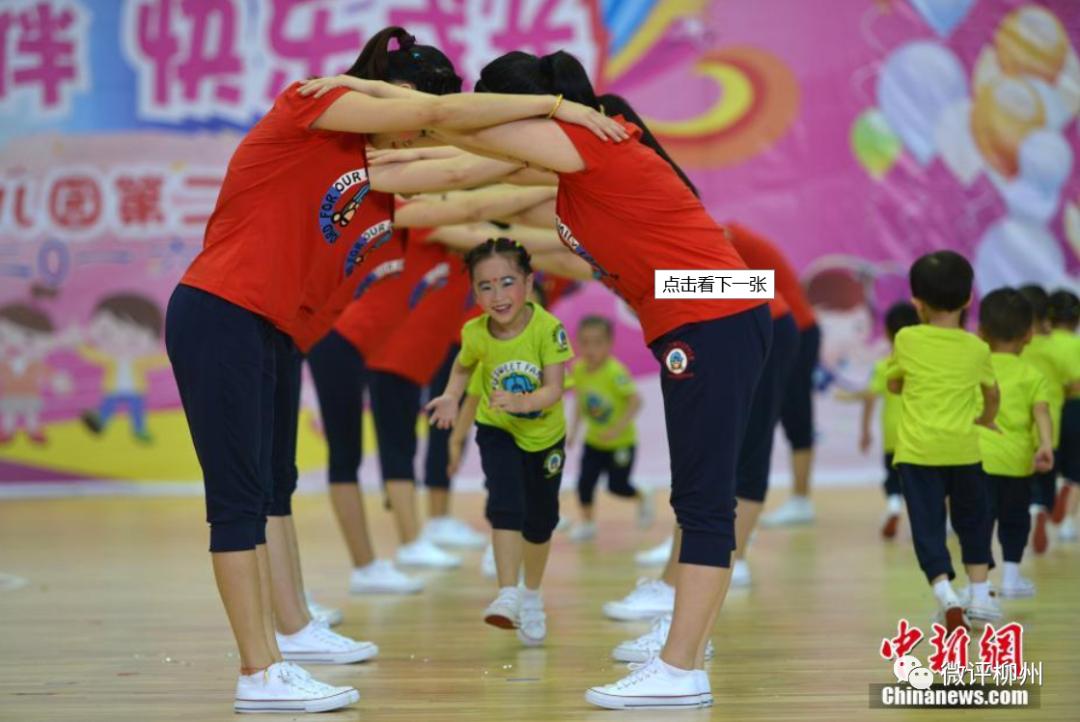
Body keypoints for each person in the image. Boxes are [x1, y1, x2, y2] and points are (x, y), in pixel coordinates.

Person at [166, 25, 624, 713]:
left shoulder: (374, 170)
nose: (412, 140)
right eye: (409, 119)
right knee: (238, 503)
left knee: (269, 489)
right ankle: (259, 673)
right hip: (224, 311)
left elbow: (466, 173)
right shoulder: (309, 105)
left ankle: (289, 634)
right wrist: (557, 109)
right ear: (395, 94)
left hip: (271, 328)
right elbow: (433, 121)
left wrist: (547, 148)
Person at [304, 48, 770, 709]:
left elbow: (459, 139)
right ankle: (685, 643)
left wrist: (360, 93)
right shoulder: (578, 168)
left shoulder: (589, 138)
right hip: (710, 312)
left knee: (703, 498)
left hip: (715, 316)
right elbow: (466, 168)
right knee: (698, 494)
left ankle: (683, 663)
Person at [427, 238, 574, 648]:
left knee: (541, 520)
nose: (497, 295)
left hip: (545, 437)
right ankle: (508, 593)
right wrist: (452, 396)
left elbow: (554, 389)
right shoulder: (475, 332)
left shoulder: (549, 330)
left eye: (507, 282)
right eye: (485, 286)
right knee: (506, 502)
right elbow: (463, 366)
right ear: (474, 293)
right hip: (498, 429)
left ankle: (531, 597)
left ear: (528, 284)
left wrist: (523, 401)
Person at [886, 251, 1000, 633]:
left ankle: (946, 595)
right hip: (964, 450)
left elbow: (895, 382)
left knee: (928, 525)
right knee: (974, 520)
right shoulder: (977, 347)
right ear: (969, 299)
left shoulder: (906, 338)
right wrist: (985, 419)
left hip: (918, 453)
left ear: (917, 301)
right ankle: (981, 595)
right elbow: (992, 394)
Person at [976, 288, 1053, 598]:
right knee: (1015, 520)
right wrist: (1045, 444)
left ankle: (976, 584)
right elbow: (1042, 412)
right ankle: (1010, 577)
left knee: (978, 522)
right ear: (1029, 334)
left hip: (977, 460)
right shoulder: (1031, 374)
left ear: (980, 332)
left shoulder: (975, 370)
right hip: (1017, 463)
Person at [566, 315, 651, 541]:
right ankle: (587, 523)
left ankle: (642, 496)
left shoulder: (616, 372)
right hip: (594, 441)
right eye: (584, 342)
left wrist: (617, 429)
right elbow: (580, 402)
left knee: (618, 486)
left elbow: (636, 401)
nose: (590, 349)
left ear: (609, 343)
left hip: (621, 443)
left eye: (597, 343)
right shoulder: (578, 369)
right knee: (584, 483)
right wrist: (574, 430)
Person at [1018, 285, 1080, 554]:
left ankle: (1035, 508)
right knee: (1071, 469)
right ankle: (1066, 516)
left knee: (1031, 476)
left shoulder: (1024, 345)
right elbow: (1076, 381)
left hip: (1022, 420)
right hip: (1057, 416)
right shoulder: (1065, 345)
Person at [852, 301, 920, 539]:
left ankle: (893, 505)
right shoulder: (923, 366)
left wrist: (865, 432)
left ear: (887, 333)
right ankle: (936, 520)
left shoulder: (884, 365)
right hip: (920, 433)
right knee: (924, 478)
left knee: (893, 476)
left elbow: (870, 398)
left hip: (893, 434)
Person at [1046, 289, 1080, 542]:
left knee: (1045, 466)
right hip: (1072, 410)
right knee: (1076, 469)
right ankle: (1068, 522)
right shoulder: (1076, 345)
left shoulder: (1039, 344)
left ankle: (1043, 501)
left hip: (1041, 413)